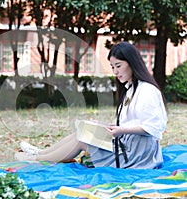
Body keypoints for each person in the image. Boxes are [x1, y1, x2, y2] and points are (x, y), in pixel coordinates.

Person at [15, 42, 168, 169]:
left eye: (118, 66)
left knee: (83, 139)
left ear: (132, 63)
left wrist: (121, 129)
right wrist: (107, 126)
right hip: (127, 143)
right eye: (112, 67)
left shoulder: (147, 90)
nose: (115, 71)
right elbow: (131, 123)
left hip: (138, 154)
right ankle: (41, 153)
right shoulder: (131, 89)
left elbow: (153, 127)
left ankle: (38, 160)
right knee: (83, 130)